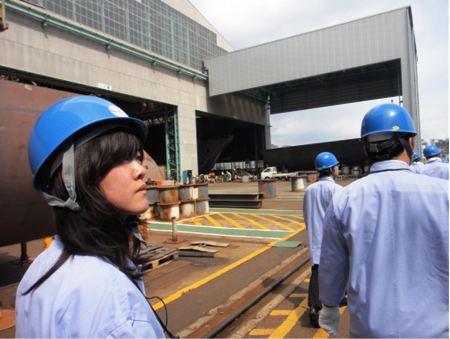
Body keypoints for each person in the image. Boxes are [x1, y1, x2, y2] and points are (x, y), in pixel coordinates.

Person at [16, 96, 166, 339]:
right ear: (71, 179)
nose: (140, 169)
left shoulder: (40, 270)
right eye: (119, 158)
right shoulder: (108, 297)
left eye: (137, 157)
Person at [318, 104, 449, 338]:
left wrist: (329, 306)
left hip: (369, 329)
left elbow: (332, 265)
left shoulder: (344, 199)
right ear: (410, 144)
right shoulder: (444, 193)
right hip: (436, 329)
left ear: (367, 151)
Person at [303, 152, 344, 328]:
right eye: (336, 167)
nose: (338, 169)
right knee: (339, 269)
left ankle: (314, 307)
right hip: (334, 239)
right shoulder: (338, 190)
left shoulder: (309, 190)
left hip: (317, 237)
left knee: (317, 271)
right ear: (331, 169)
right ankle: (338, 298)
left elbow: (306, 214)